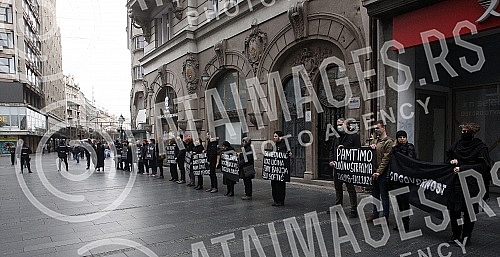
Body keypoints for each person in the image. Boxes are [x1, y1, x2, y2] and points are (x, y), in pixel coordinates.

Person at [446, 122, 491, 246]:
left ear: (472, 133)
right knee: (454, 211)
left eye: (467, 132)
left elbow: (482, 166)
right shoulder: (457, 145)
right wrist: (452, 161)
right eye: (463, 131)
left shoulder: (480, 147)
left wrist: (462, 167)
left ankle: (466, 237)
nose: (464, 134)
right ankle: (455, 235)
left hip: (471, 184)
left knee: (468, 212)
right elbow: (448, 156)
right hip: (456, 183)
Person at [329, 118, 361, 218]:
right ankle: (338, 207)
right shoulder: (336, 136)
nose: (339, 126)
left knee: (350, 188)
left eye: (341, 124)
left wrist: (346, 149)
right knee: (338, 188)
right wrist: (331, 160)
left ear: (346, 125)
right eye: (338, 124)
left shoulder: (354, 136)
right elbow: (331, 149)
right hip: (337, 167)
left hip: (348, 167)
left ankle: (353, 209)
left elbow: (358, 151)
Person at [367, 120, 394, 223]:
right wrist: (371, 147)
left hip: (383, 173)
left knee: (384, 195)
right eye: (375, 128)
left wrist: (379, 171)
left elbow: (386, 158)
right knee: (375, 194)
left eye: (378, 128)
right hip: (373, 171)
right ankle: (375, 213)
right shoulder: (375, 141)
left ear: (383, 128)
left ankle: (385, 216)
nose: (376, 130)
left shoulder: (389, 141)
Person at [391, 130, 416, 231]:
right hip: (398, 179)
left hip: (406, 179)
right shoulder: (396, 148)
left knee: (405, 203)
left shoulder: (409, 147)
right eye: (400, 137)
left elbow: (409, 160)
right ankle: (400, 223)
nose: (402, 139)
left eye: (403, 137)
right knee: (399, 202)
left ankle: (406, 224)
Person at [271, 131, 291, 206]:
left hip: (281, 170)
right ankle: (275, 200)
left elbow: (288, 154)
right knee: (274, 185)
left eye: (275, 136)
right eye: (274, 136)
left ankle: (280, 201)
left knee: (280, 186)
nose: (274, 138)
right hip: (274, 170)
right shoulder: (274, 145)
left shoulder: (285, 145)